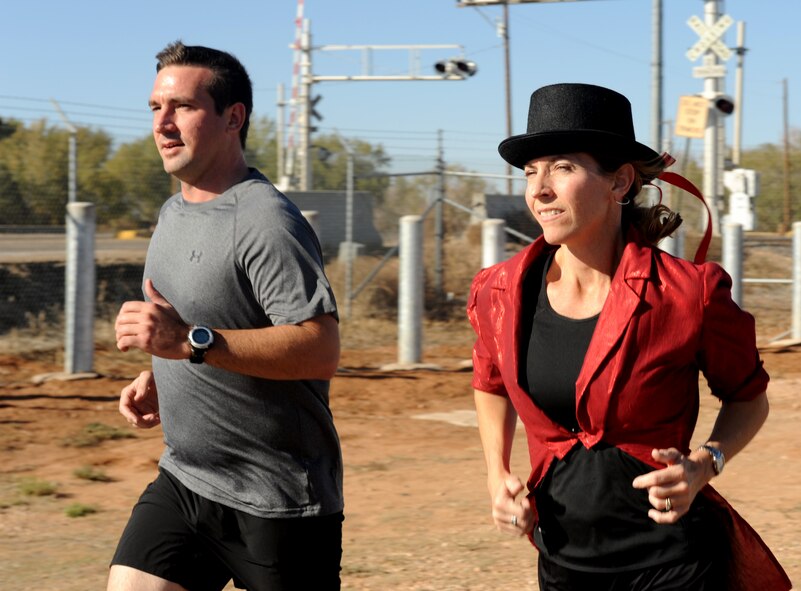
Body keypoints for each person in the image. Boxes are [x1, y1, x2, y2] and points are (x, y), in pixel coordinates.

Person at [467, 83, 790, 591]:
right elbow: (490, 382)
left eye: (563, 167)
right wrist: (496, 472)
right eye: (532, 172)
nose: (540, 189)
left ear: (619, 183)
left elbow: (749, 400)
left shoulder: (689, 293)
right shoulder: (500, 292)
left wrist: (705, 464)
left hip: (675, 565)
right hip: (562, 563)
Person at [108, 41, 344, 591]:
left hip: (278, 500)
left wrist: (189, 344)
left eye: (182, 108)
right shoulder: (173, 213)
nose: (162, 125)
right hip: (187, 479)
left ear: (232, 117)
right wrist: (167, 377)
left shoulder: (265, 220)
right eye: (154, 109)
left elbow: (320, 347)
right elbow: (208, 332)